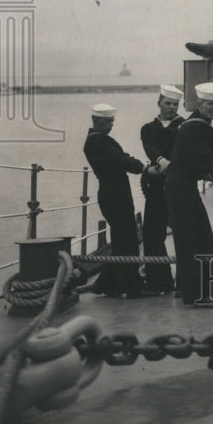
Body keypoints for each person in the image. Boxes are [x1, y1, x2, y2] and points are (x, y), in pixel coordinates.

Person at [165, 82, 213, 304]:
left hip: (182, 186)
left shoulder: (193, 124)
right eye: (210, 103)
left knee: (190, 240)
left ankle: (187, 289)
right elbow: (207, 158)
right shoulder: (196, 127)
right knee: (199, 241)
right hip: (181, 189)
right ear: (200, 103)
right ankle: (196, 295)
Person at [83, 104, 146, 298]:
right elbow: (121, 160)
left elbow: (121, 157)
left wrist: (135, 163)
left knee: (122, 240)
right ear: (96, 121)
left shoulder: (101, 139)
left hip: (116, 193)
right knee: (127, 241)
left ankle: (110, 284)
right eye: (107, 121)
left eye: (112, 121)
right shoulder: (96, 142)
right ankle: (131, 286)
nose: (111, 125)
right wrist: (142, 167)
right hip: (113, 195)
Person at [138, 84, 185, 293]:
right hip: (157, 187)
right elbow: (150, 147)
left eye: (175, 104)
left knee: (184, 232)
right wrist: (159, 160)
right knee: (152, 233)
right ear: (159, 103)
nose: (172, 108)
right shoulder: (148, 128)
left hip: (180, 185)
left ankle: (186, 281)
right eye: (168, 103)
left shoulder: (184, 125)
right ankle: (159, 281)